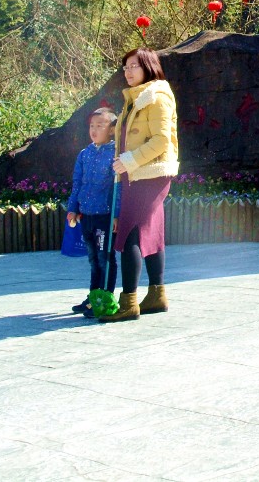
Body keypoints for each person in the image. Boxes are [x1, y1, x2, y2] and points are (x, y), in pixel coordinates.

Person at [98, 46, 178, 322]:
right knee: (151, 233)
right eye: (125, 67)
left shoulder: (156, 98)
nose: (127, 71)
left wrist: (130, 160)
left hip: (149, 174)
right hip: (138, 175)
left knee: (130, 234)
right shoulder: (136, 99)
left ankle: (128, 302)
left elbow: (161, 140)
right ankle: (156, 295)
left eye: (133, 66)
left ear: (148, 66)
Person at [66, 106, 117, 317]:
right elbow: (77, 183)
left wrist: (117, 214)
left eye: (100, 125)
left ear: (112, 129)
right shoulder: (84, 154)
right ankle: (92, 298)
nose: (94, 130)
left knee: (105, 257)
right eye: (92, 126)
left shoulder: (116, 155)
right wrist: (72, 208)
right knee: (93, 258)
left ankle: (105, 298)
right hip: (86, 215)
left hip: (105, 215)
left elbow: (119, 187)